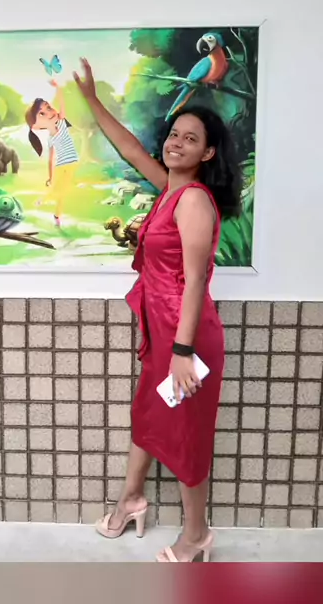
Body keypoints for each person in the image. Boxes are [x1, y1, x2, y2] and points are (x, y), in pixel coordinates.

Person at [73, 58, 241, 562]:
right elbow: (129, 147)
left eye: (191, 139)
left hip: (187, 341)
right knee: (148, 416)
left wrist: (183, 352)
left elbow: (195, 283)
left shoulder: (193, 201)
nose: (176, 143)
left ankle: (197, 536)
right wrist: (92, 101)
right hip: (163, 333)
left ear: (207, 152)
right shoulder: (170, 189)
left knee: (186, 435)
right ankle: (131, 500)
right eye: (173, 135)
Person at [25, 79, 79, 227]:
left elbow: (62, 104)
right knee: (56, 188)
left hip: (73, 163)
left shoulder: (61, 123)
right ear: (36, 126)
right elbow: (51, 159)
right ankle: (43, 201)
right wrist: (50, 176)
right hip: (62, 166)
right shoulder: (50, 139)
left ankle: (56, 214)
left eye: (48, 107)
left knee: (63, 192)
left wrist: (58, 88)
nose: (49, 112)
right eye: (42, 113)